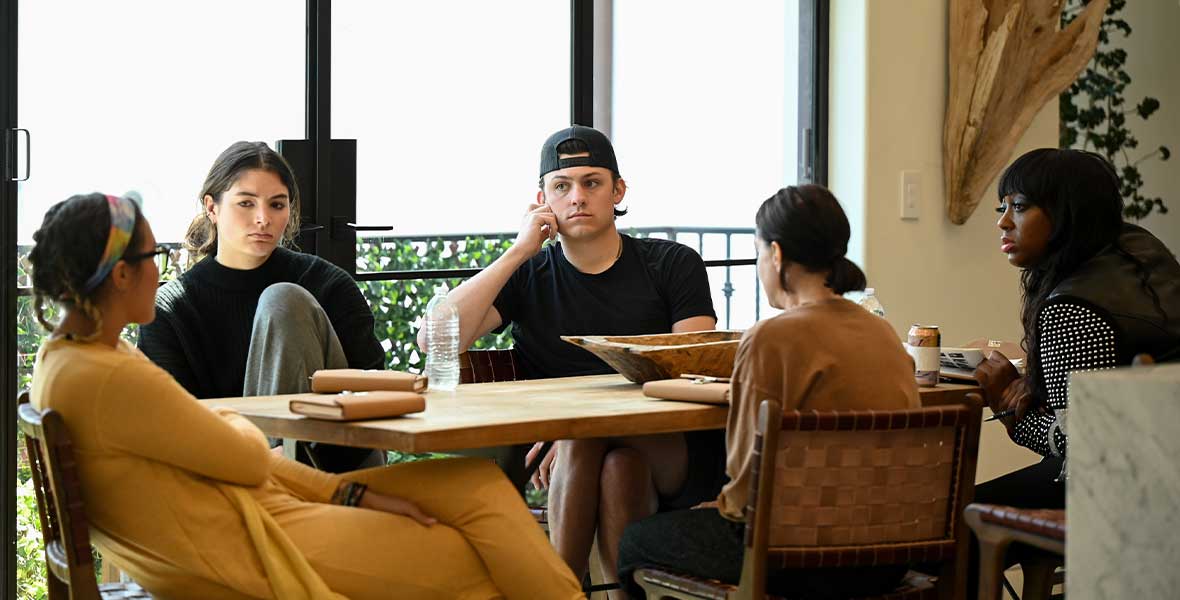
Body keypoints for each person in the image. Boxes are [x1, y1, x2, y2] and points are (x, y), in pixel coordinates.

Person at [28, 192, 584, 600]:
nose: (163, 269)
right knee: (478, 560)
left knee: (478, 483)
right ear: (121, 275)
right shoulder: (107, 376)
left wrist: (350, 496)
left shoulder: (74, 359)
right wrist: (241, 431)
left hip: (257, 514)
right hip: (244, 547)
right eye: (152, 258)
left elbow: (238, 456)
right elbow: (246, 457)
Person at [419, 125, 720, 590]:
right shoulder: (529, 274)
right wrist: (519, 250)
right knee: (618, 467)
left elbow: (694, 371)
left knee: (584, 438)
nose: (577, 196)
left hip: (672, 449)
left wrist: (581, 429)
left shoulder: (673, 264)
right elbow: (433, 340)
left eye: (592, 183)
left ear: (617, 190)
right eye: (562, 186)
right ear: (543, 198)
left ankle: (558, 591)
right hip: (570, 462)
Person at [616, 185, 921, 598]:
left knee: (636, 540)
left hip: (794, 556)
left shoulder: (770, 338)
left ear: (776, 255)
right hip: (888, 555)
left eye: (759, 252)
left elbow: (745, 485)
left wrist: (721, 507)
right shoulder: (882, 331)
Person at [138, 141, 383, 472]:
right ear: (212, 207)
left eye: (277, 205)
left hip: (339, 464)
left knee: (283, 300)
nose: (263, 218)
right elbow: (172, 428)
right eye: (246, 203)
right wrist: (255, 463)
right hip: (227, 474)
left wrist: (285, 461)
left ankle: (280, 481)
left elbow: (378, 400)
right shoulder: (172, 309)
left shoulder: (330, 285)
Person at [974, 148, 1180, 508]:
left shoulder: (1072, 308)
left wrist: (1007, 409)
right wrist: (1038, 383)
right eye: (1002, 208)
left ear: (1066, 213)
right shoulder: (1140, 249)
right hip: (1164, 467)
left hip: (1122, 492)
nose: (1003, 222)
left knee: (949, 518)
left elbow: (1082, 445)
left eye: (1019, 207)